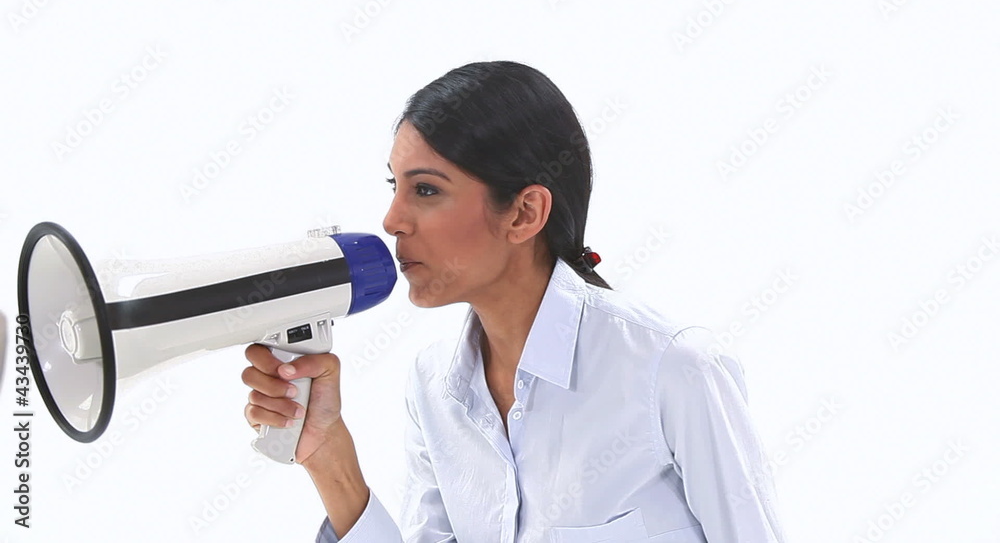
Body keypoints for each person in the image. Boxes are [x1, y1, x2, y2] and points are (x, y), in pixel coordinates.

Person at [242, 61, 788, 542]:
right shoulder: (435, 389)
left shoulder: (671, 370)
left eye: (426, 189)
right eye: (395, 186)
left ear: (525, 213)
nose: (392, 220)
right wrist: (327, 453)